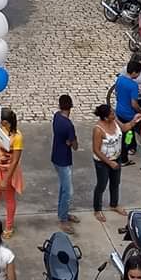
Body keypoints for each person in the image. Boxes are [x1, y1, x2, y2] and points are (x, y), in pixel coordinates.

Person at [0, 108, 24, 239]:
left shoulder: (17, 137)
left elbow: (14, 161)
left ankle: (9, 226)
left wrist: (6, 179)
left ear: (6, 122)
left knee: (9, 199)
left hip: (9, 171)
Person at [91, 104, 124, 224]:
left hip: (117, 157)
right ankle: (97, 209)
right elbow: (96, 150)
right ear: (105, 117)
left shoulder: (115, 121)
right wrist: (109, 163)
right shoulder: (98, 130)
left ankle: (114, 204)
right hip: (103, 162)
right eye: (111, 113)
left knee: (115, 183)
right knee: (102, 185)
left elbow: (124, 128)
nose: (114, 114)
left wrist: (134, 121)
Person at [51, 94, 78, 230]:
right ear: (71, 107)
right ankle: (63, 219)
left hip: (56, 156)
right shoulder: (69, 125)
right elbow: (75, 146)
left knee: (63, 187)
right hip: (64, 160)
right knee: (68, 191)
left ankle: (63, 213)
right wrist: (71, 141)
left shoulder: (56, 117)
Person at [113, 60, 141, 168]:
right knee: (138, 133)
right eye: (139, 73)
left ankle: (126, 152)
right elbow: (134, 103)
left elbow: (116, 93)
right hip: (130, 115)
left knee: (124, 134)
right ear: (135, 72)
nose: (139, 75)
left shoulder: (120, 79)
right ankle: (125, 156)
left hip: (119, 112)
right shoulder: (133, 85)